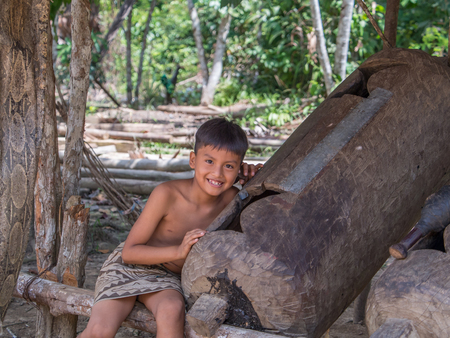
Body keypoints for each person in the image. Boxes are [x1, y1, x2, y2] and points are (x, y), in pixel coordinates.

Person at [79, 118, 263, 338]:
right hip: (128, 267)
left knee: (172, 310)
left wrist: (254, 178)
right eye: (210, 161)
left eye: (229, 166)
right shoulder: (167, 194)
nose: (218, 173)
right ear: (193, 160)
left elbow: (266, 211)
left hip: (169, 278)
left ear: (238, 169)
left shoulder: (233, 200)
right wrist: (178, 251)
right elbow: (130, 252)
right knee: (100, 330)